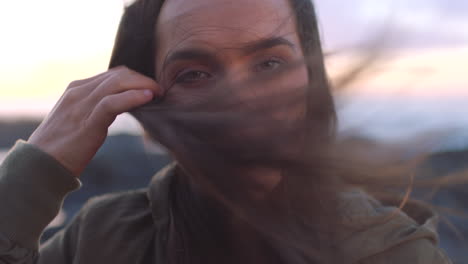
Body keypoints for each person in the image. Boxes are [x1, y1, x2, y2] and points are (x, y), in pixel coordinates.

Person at [0, 0, 453, 263]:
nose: (242, 101)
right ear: (151, 104)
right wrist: (34, 173)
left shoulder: (392, 252)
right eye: (194, 74)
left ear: (312, 83)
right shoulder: (101, 239)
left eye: (270, 63)